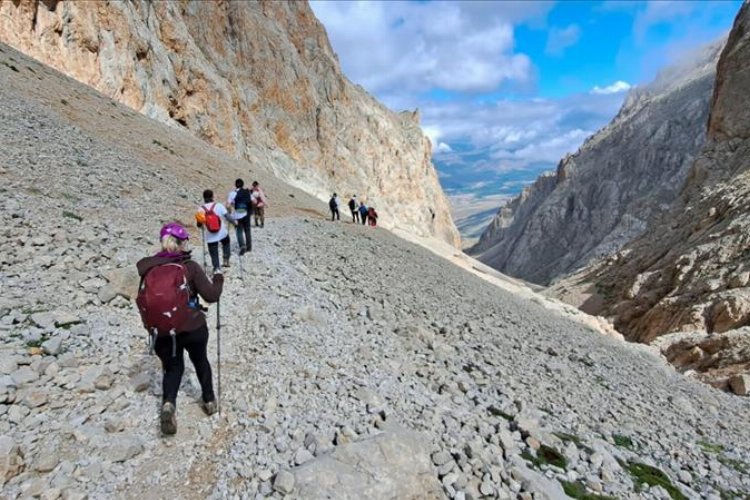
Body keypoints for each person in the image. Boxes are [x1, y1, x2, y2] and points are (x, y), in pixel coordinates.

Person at [136, 222, 223, 435]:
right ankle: (209, 400)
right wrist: (219, 279)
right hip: (193, 327)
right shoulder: (189, 267)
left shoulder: (149, 269)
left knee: (172, 368)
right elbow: (212, 296)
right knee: (200, 360)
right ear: (180, 243)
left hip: (163, 331)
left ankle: (168, 404)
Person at [196, 189, 231, 272]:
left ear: (204, 198)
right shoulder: (219, 205)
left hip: (210, 235)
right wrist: (235, 222)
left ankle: (216, 268)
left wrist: (201, 223)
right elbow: (227, 217)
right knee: (226, 242)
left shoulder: (200, 209)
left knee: (213, 252)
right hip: (222, 233)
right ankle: (226, 259)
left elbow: (199, 225)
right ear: (212, 197)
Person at [228, 179, 252, 254]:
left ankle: (242, 245)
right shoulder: (246, 192)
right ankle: (249, 247)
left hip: (237, 214)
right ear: (242, 185)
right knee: (247, 230)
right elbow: (253, 201)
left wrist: (229, 210)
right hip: (246, 214)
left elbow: (228, 205)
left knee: (239, 230)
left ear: (235, 185)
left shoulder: (232, 193)